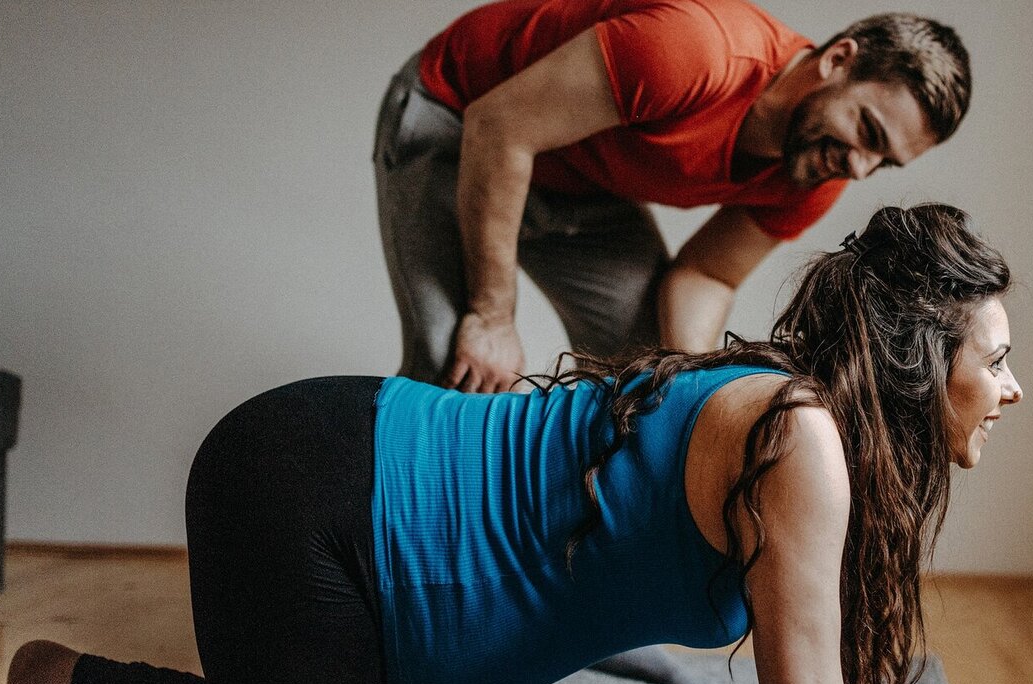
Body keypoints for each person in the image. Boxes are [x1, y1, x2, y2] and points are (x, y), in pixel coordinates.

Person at [0, 204, 1021, 684]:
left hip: (347, 470)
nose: (1010, 387)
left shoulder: (800, 423)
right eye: (997, 358)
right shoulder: (798, 440)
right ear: (923, 360)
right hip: (317, 501)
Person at [374, 0, 972, 393]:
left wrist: (695, 391)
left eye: (884, 161)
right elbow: (500, 128)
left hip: (581, 180)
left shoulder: (817, 170)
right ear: (838, 60)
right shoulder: (693, 50)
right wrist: (492, 315)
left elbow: (707, 276)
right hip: (460, 121)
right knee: (453, 370)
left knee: (643, 387)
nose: (860, 168)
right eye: (867, 132)